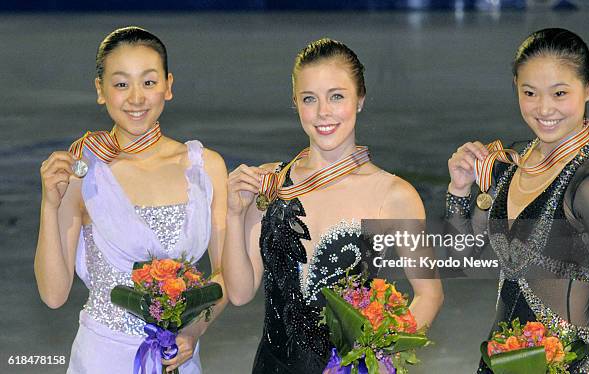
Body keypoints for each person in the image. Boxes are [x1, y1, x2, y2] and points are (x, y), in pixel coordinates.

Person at [222, 38, 444, 373]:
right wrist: (235, 213)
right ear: (295, 103)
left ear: (360, 100)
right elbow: (240, 293)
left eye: (336, 96)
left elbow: (429, 294)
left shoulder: (395, 195)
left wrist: (382, 356)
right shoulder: (271, 186)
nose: (323, 112)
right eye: (309, 99)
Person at [34, 26, 227, 374]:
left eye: (149, 82)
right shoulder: (81, 172)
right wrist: (50, 204)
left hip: (179, 357)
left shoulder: (205, 167)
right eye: (121, 84)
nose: (136, 97)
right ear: (100, 90)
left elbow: (226, 274)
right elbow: (53, 294)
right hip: (101, 359)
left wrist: (192, 331)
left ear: (168, 85)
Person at [445, 28, 589, 373]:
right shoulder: (511, 160)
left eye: (560, 92)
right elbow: (461, 255)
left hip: (560, 367)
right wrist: (461, 191)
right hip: (495, 363)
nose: (544, 108)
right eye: (530, 92)